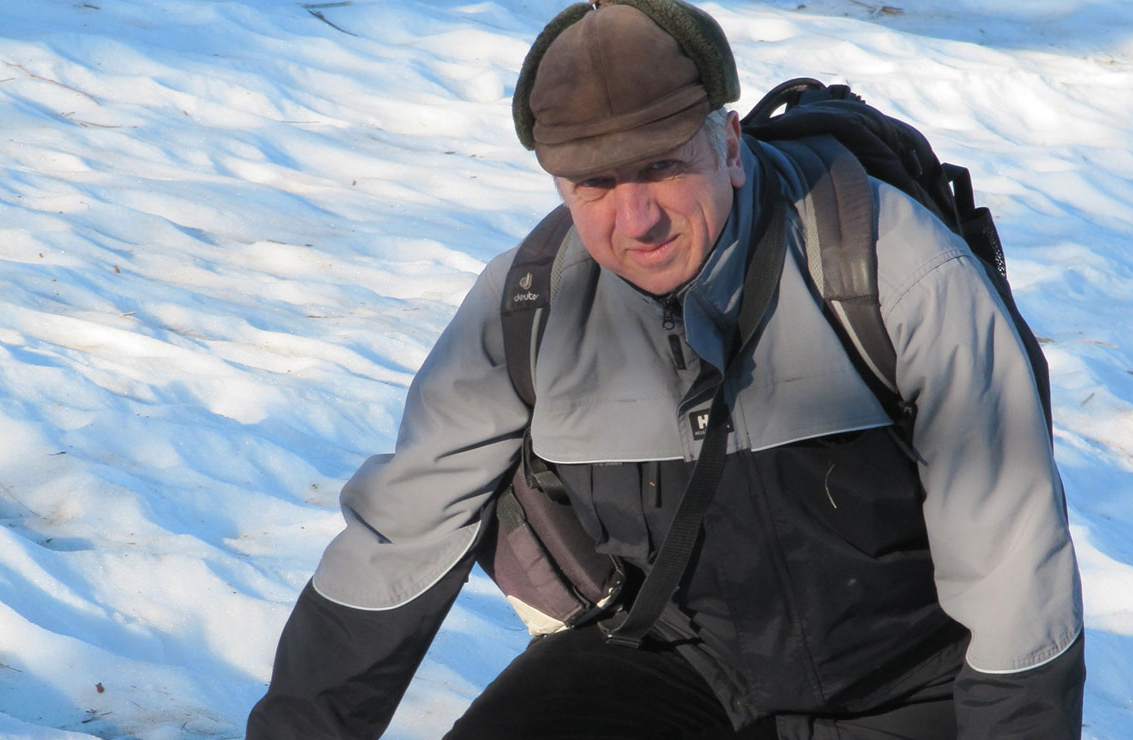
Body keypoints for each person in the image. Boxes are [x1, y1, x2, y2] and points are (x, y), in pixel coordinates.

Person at [245, 1, 1085, 738]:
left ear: (728, 143)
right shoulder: (530, 306)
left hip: (908, 695)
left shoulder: (889, 268)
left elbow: (1012, 564)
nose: (635, 218)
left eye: (661, 167)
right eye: (595, 185)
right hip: (673, 668)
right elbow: (399, 538)